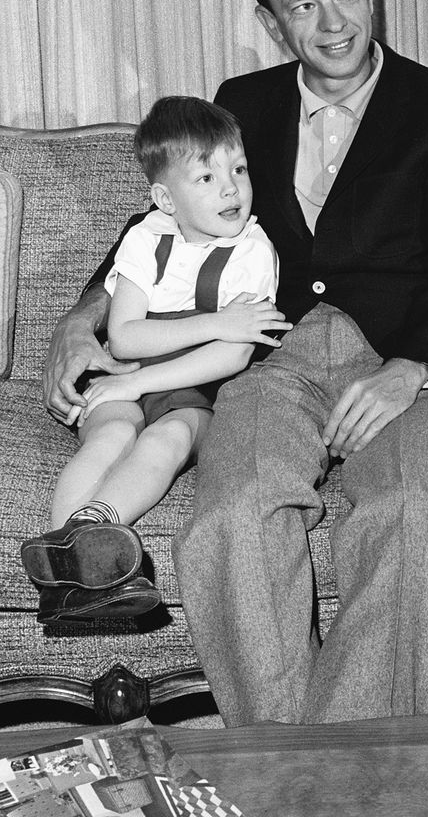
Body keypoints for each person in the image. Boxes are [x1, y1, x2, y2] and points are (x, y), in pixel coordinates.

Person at [43, 0, 428, 725]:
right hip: (269, 361)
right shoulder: (240, 103)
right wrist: (84, 315)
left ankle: (340, 776)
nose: (336, 23)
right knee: (233, 514)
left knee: (413, 508)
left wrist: (409, 372)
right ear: (269, 20)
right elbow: (156, 229)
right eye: (304, 7)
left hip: (403, 365)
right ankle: (282, 764)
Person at [22, 96, 285, 624]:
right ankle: (65, 553)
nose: (231, 188)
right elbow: (124, 339)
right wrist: (215, 323)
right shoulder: (144, 239)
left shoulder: (254, 249)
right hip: (123, 373)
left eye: (237, 169)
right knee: (111, 435)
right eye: (205, 178)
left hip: (195, 381)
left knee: (169, 438)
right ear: (165, 198)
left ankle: (90, 531)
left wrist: (149, 377)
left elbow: (232, 356)